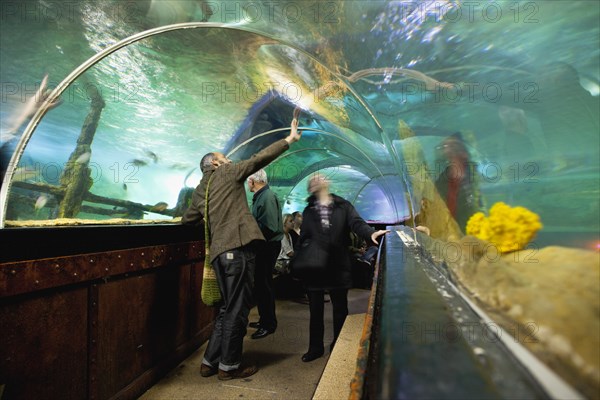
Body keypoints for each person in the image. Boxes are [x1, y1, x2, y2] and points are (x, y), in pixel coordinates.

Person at [181, 117, 302, 380]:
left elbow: (187, 220)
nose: (227, 159)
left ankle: (209, 362)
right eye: (223, 157)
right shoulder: (227, 172)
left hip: (218, 256)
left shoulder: (200, 191)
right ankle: (230, 366)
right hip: (238, 251)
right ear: (214, 163)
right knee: (238, 310)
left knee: (226, 309)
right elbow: (258, 159)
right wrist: (289, 140)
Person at [296, 174, 388, 362]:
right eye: (313, 179)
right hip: (314, 267)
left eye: (320, 177)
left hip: (337, 265)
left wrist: (371, 234)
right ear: (310, 188)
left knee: (340, 309)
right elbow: (304, 238)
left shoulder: (343, 206)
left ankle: (339, 345)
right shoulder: (308, 211)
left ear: (327, 183)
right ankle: (315, 348)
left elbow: (357, 223)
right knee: (315, 310)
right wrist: (300, 260)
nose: (317, 180)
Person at [247, 168, 282, 339]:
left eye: (248, 180)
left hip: (267, 247)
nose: (247, 183)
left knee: (265, 285)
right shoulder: (262, 196)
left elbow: (269, 227)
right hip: (265, 246)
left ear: (254, 181)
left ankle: (268, 324)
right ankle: (264, 319)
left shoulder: (266, 197)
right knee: (261, 285)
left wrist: (249, 233)